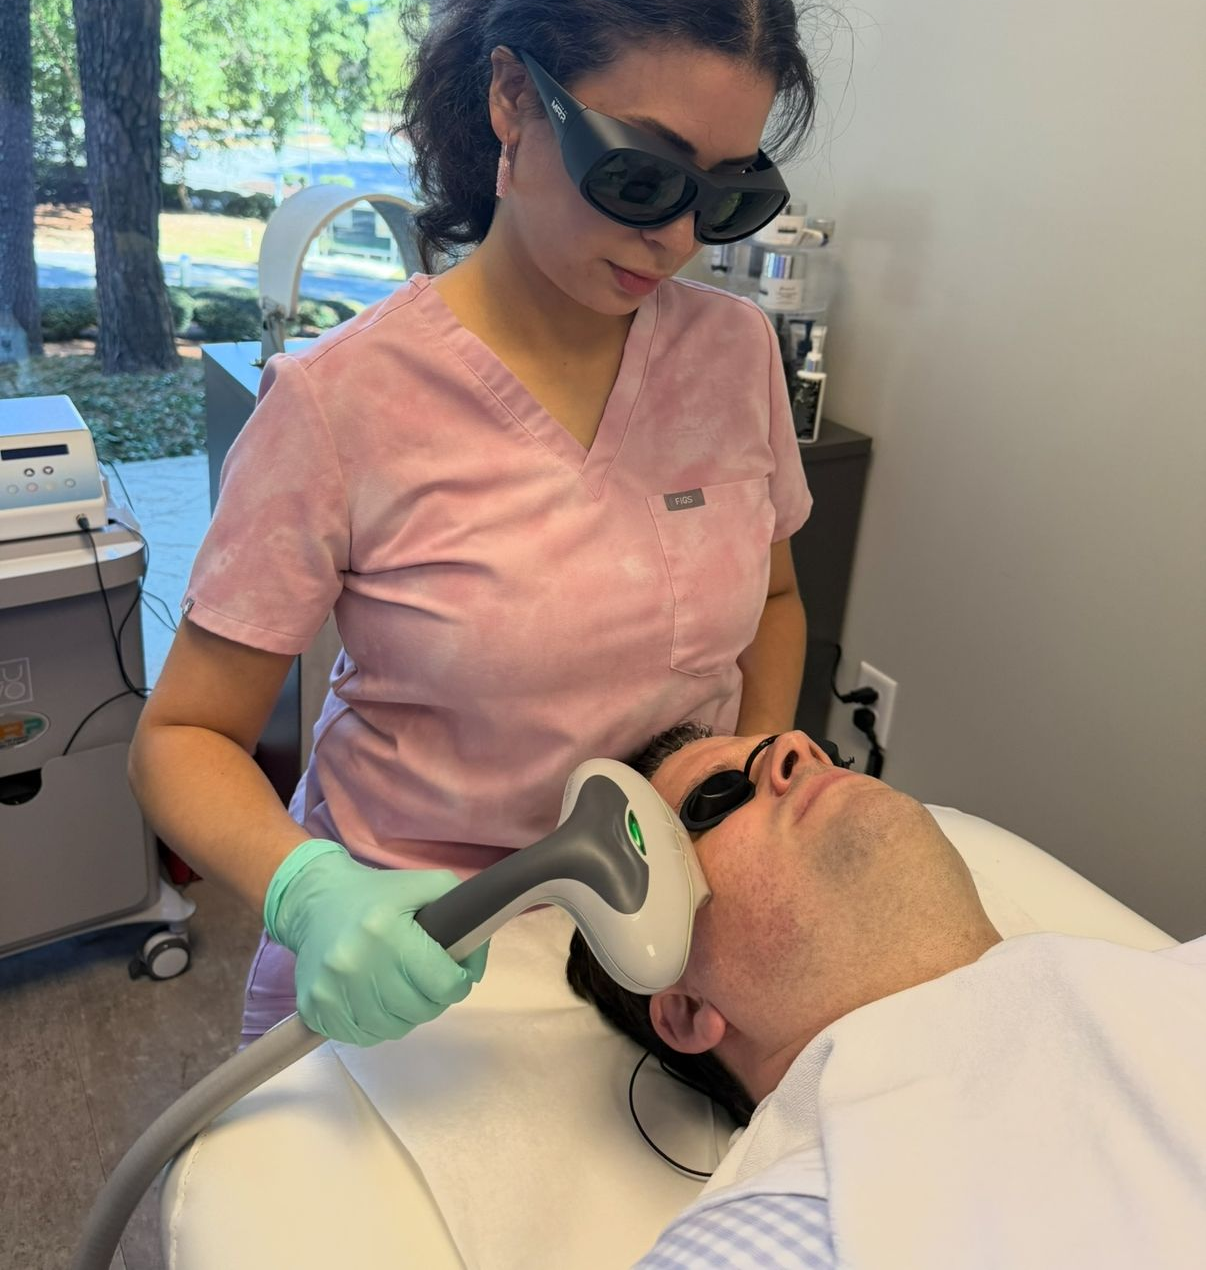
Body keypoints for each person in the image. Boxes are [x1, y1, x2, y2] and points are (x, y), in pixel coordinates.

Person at [129, 1, 821, 1048]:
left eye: (725, 197)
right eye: (640, 175)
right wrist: (310, 892)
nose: (676, 239)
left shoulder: (734, 355)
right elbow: (180, 739)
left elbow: (771, 600)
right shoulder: (340, 403)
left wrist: (740, 791)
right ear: (512, 99)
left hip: (654, 955)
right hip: (414, 967)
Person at [568, 723, 1206, 1269]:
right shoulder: (805, 1220)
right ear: (686, 1008)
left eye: (825, 751)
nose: (801, 743)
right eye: (719, 794)